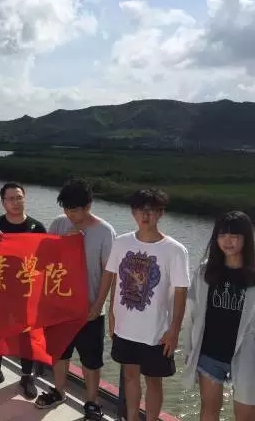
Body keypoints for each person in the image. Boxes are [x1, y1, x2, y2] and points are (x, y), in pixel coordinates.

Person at [34, 178, 116, 420]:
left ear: (88, 206)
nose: (70, 214)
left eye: (75, 210)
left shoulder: (105, 231)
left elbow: (108, 272)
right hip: (60, 306)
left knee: (91, 359)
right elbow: (43, 259)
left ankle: (92, 401)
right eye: (67, 209)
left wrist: (99, 304)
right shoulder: (59, 224)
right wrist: (64, 242)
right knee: (59, 352)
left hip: (90, 308)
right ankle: (59, 391)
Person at [105, 188, 190, 421]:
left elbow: (181, 291)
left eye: (151, 211)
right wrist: (111, 313)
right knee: (130, 376)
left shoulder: (175, 250)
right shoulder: (121, 242)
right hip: (125, 327)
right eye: (140, 210)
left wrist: (174, 330)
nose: (145, 216)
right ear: (133, 212)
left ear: (160, 213)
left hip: (156, 331)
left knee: (154, 381)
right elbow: (115, 280)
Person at [182, 211, 255, 421]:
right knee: (209, 408)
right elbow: (191, 313)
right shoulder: (205, 272)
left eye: (234, 235)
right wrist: (189, 349)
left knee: (246, 414)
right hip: (210, 353)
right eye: (222, 235)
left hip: (248, 354)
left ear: (246, 238)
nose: (227, 241)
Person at [0, 182, 46, 400]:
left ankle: (27, 376)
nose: (15, 202)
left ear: (24, 198)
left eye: (19, 197)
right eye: (10, 199)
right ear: (3, 202)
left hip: (25, 293)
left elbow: (45, 262)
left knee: (26, 334)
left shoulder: (37, 228)